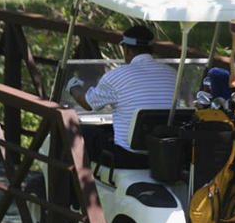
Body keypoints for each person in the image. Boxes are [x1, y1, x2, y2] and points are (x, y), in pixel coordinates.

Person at [65, 24, 178, 165]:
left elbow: (88, 104)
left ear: (127, 49)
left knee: (77, 130)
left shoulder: (116, 76)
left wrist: (72, 86)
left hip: (128, 157)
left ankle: (74, 184)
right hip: (163, 154)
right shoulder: (173, 76)